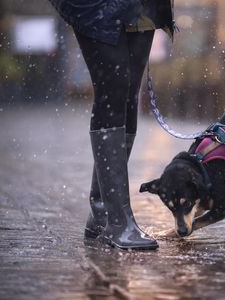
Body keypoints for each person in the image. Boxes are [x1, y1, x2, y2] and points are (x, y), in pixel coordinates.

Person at [48, 0, 174, 250]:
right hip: (96, 7)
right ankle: (118, 221)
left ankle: (103, 211)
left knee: (128, 96)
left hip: (141, 6)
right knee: (113, 91)